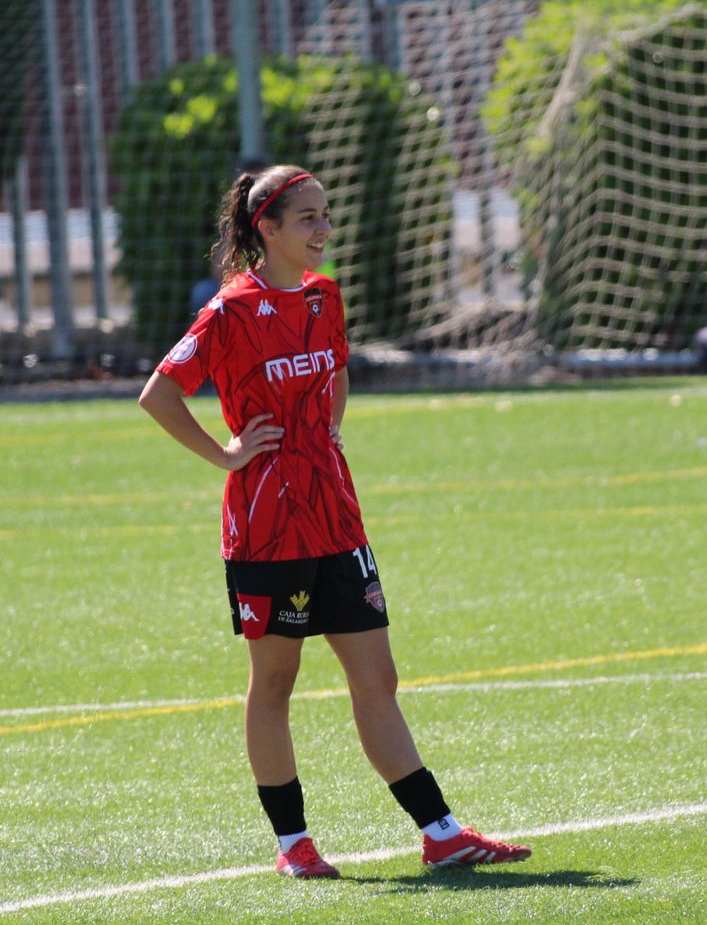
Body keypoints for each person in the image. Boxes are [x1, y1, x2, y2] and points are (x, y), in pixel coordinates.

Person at [138, 164, 531, 878]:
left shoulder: (324, 296)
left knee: (378, 674)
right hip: (266, 525)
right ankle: (294, 845)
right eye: (309, 218)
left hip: (338, 517)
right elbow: (159, 393)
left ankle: (441, 831)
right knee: (276, 680)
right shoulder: (229, 311)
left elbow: (337, 369)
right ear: (268, 228)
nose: (324, 229)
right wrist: (227, 455)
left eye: (326, 214)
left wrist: (329, 431)